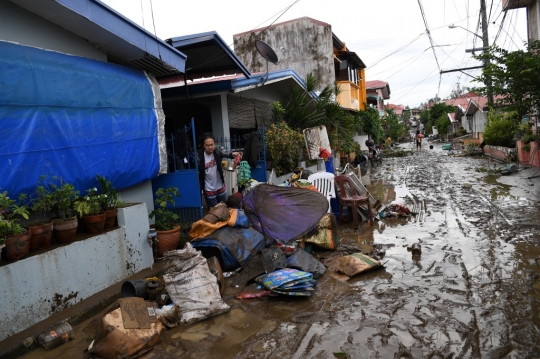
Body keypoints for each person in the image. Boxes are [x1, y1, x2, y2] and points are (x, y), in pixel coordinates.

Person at [197, 132, 240, 208]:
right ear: (203, 145)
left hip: (220, 186)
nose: (210, 147)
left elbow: (226, 152)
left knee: (225, 207)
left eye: (212, 144)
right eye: (207, 145)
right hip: (208, 188)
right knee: (213, 210)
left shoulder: (217, 149)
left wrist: (232, 154)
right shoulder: (199, 155)